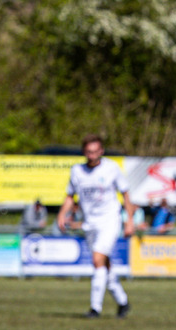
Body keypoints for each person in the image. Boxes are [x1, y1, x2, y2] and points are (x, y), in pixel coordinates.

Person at [57, 135, 136, 318]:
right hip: (89, 223)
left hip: (110, 220)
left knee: (97, 259)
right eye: (88, 152)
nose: (92, 155)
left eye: (95, 151)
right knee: (104, 264)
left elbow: (125, 194)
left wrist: (129, 221)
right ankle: (122, 301)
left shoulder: (111, 168)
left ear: (101, 151)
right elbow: (70, 196)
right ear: (84, 152)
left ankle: (95, 308)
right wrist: (62, 215)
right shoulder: (77, 171)